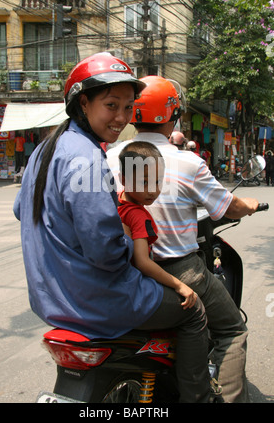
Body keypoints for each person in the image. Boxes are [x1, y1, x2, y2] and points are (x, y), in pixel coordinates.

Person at [13, 53, 211, 403]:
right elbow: (106, 252)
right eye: (111, 105)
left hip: (49, 298)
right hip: (94, 301)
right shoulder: (86, 157)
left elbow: (21, 210)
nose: (121, 118)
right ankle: (198, 398)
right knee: (194, 311)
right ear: (83, 103)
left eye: (127, 107)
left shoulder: (45, 148)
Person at [107, 74, 260, 403]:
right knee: (232, 329)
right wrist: (247, 206)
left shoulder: (110, 156)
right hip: (179, 269)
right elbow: (227, 208)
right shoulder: (188, 162)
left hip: (124, 272)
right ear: (173, 115)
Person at [118, 140, 197, 309]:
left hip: (117, 285)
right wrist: (179, 285)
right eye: (144, 182)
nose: (153, 190)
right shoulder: (138, 216)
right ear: (123, 179)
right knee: (195, 312)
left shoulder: (116, 201)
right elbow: (142, 262)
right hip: (136, 289)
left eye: (158, 182)